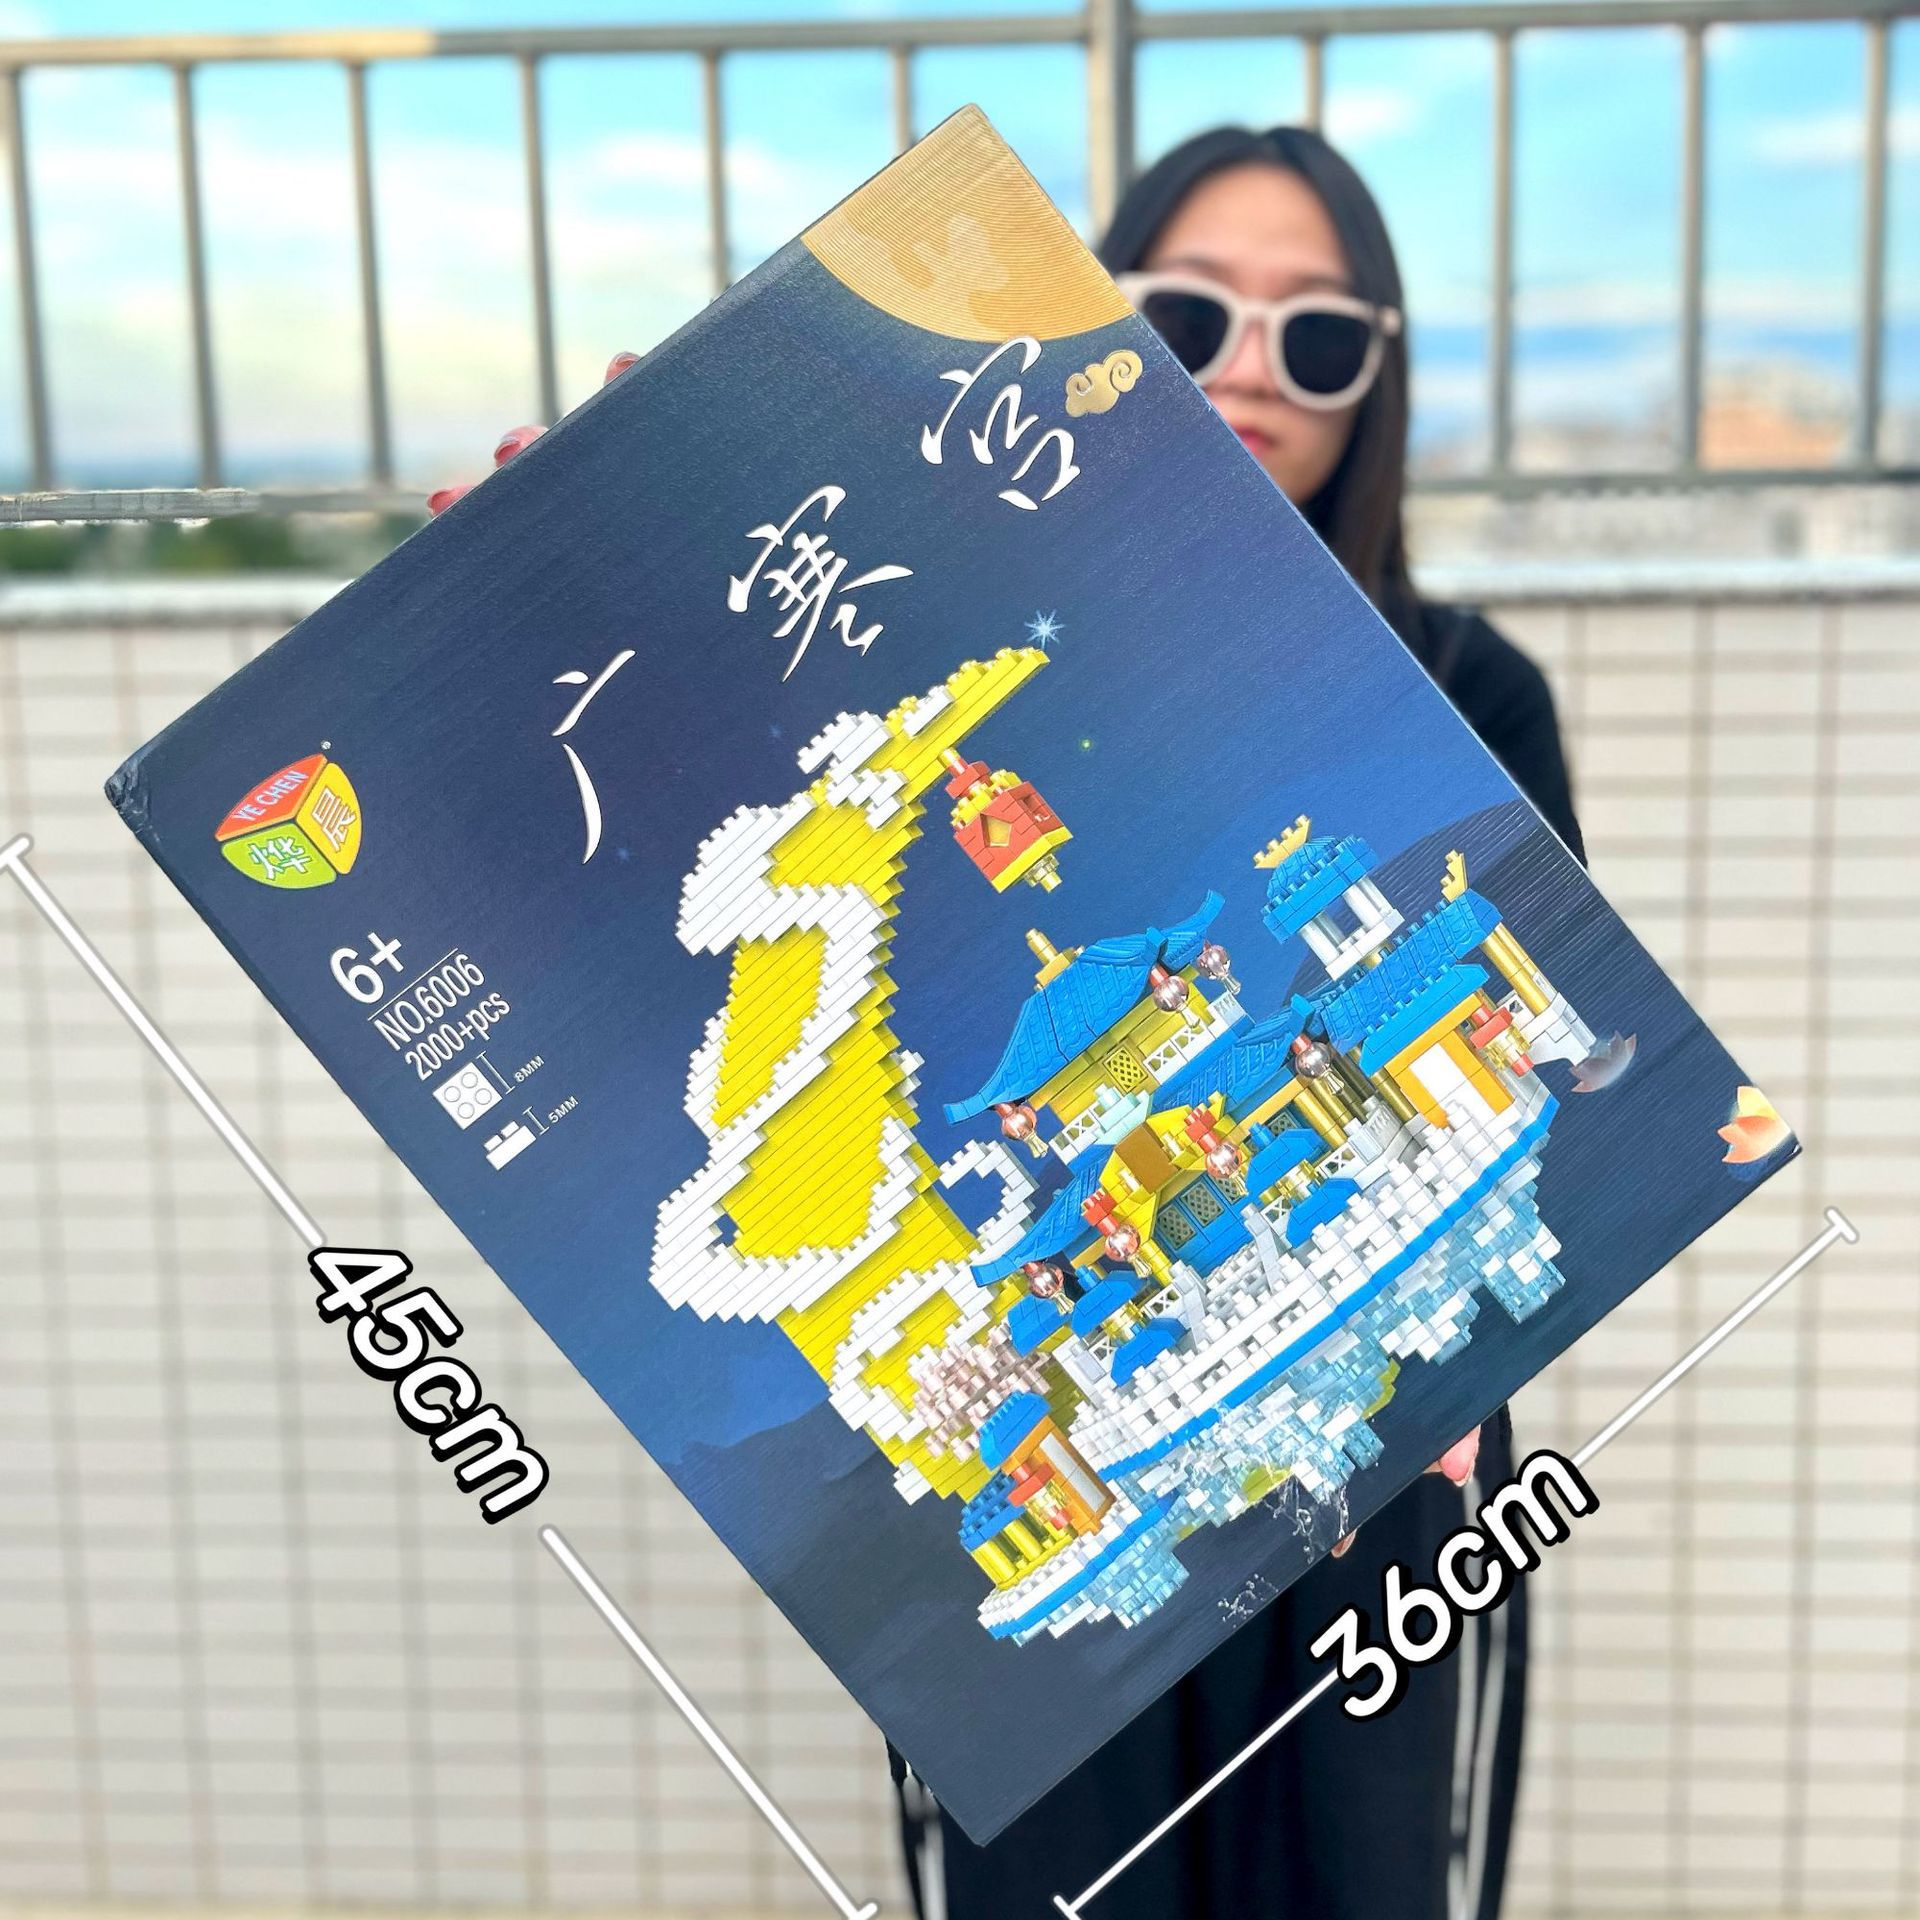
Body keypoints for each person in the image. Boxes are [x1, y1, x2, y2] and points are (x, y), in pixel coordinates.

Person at [432, 120, 1581, 1920]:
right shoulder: (935, 604)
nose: (1250, 373)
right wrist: (601, 553)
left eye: (1317, 335)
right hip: (1105, 1442)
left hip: (1388, 1482)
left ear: (1380, 376)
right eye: (1188, 316)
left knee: (1352, 1867)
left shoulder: (1471, 689)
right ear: (1096, 323)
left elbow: (1560, 1025)